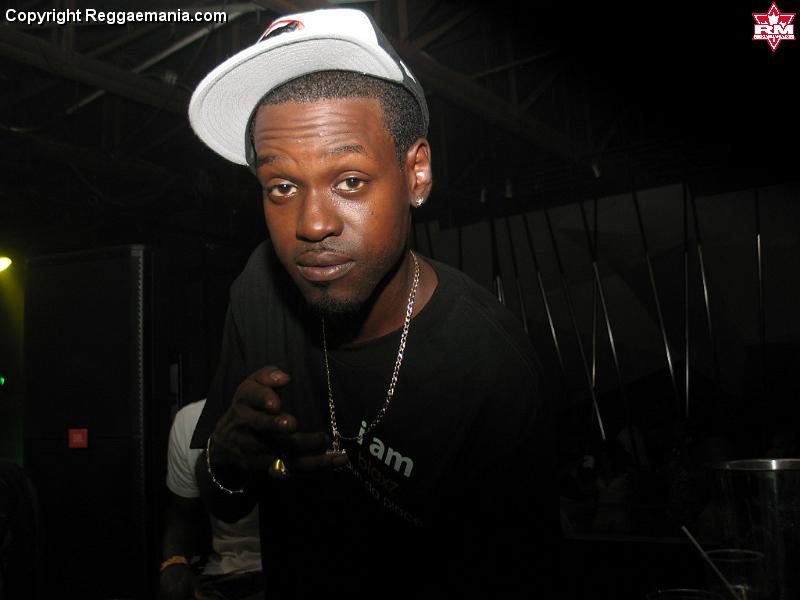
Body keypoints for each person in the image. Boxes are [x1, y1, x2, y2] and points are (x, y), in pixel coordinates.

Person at [187, 7, 558, 597]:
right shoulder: (259, 288)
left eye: (350, 182)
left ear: (416, 174)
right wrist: (229, 457)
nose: (311, 224)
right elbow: (223, 501)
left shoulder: (491, 366)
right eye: (282, 186)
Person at [159, 400, 262, 600]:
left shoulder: (308, 412)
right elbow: (181, 517)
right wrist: (174, 564)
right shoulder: (191, 421)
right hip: (224, 577)